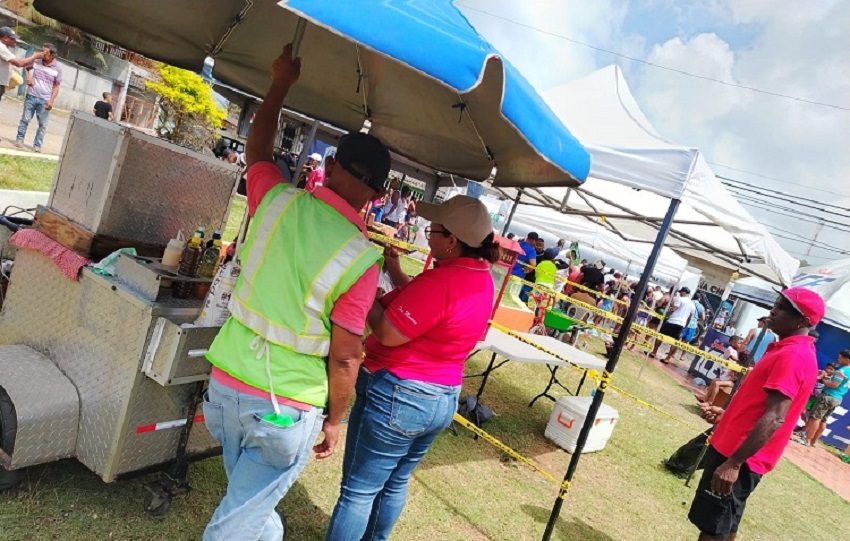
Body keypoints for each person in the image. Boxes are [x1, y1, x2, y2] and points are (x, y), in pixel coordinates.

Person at [201, 44, 390, 541]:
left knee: (251, 507)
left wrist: (282, 81)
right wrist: (335, 419)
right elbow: (347, 357)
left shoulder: (278, 200)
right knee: (237, 520)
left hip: (225, 386)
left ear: (330, 167)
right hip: (286, 407)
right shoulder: (361, 257)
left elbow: (257, 148)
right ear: (378, 195)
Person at [325, 195, 497, 540]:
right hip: (442, 396)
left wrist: (367, 298)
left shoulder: (444, 282)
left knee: (358, 489)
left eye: (432, 231)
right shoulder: (480, 277)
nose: (426, 235)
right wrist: (396, 273)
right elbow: (431, 310)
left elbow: (387, 332)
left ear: (452, 241)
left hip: (401, 394)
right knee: (394, 482)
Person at [688, 287, 824, 541]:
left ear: (803, 322)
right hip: (738, 451)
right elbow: (760, 405)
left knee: (712, 529)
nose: (773, 310)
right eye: (776, 304)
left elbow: (775, 418)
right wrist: (726, 414)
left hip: (739, 457)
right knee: (726, 525)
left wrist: (734, 463)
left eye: (783, 308)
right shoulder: (787, 350)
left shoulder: (793, 355)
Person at [14, 42, 61, 153]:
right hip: (31, 95)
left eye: (45, 52)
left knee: (42, 124)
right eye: (42, 50)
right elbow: (26, 67)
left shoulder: (57, 68)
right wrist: (29, 77)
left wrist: (51, 101)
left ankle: (37, 145)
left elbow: (57, 85)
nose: (42, 53)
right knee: (25, 119)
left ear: (52, 55)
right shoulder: (36, 60)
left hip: (45, 100)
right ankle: (19, 139)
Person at [803, 350, 850, 446]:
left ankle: (807, 440)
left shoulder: (841, 371)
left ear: (847, 359)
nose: (838, 359)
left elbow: (834, 385)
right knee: (823, 420)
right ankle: (813, 442)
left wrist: (824, 379)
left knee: (815, 418)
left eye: (840, 357)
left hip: (829, 396)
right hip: (838, 398)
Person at [653, 287, 695, 362]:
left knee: (660, 336)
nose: (680, 293)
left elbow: (673, 309)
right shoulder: (692, 305)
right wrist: (685, 325)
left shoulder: (680, 299)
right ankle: (668, 358)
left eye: (681, 292)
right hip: (681, 324)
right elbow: (689, 317)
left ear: (684, 292)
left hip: (672, 321)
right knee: (675, 342)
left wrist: (666, 315)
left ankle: (654, 352)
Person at [0, 27, 43, 102]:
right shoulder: (1, 47)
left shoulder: (4, 48)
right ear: (5, 38)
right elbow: (19, 63)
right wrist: (34, 56)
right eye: (12, 39)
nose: (15, 41)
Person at [512, 231, 538, 302]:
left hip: (509, 271)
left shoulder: (518, 244)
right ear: (533, 240)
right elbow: (533, 264)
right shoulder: (532, 251)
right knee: (512, 296)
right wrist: (527, 270)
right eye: (535, 241)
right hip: (518, 275)